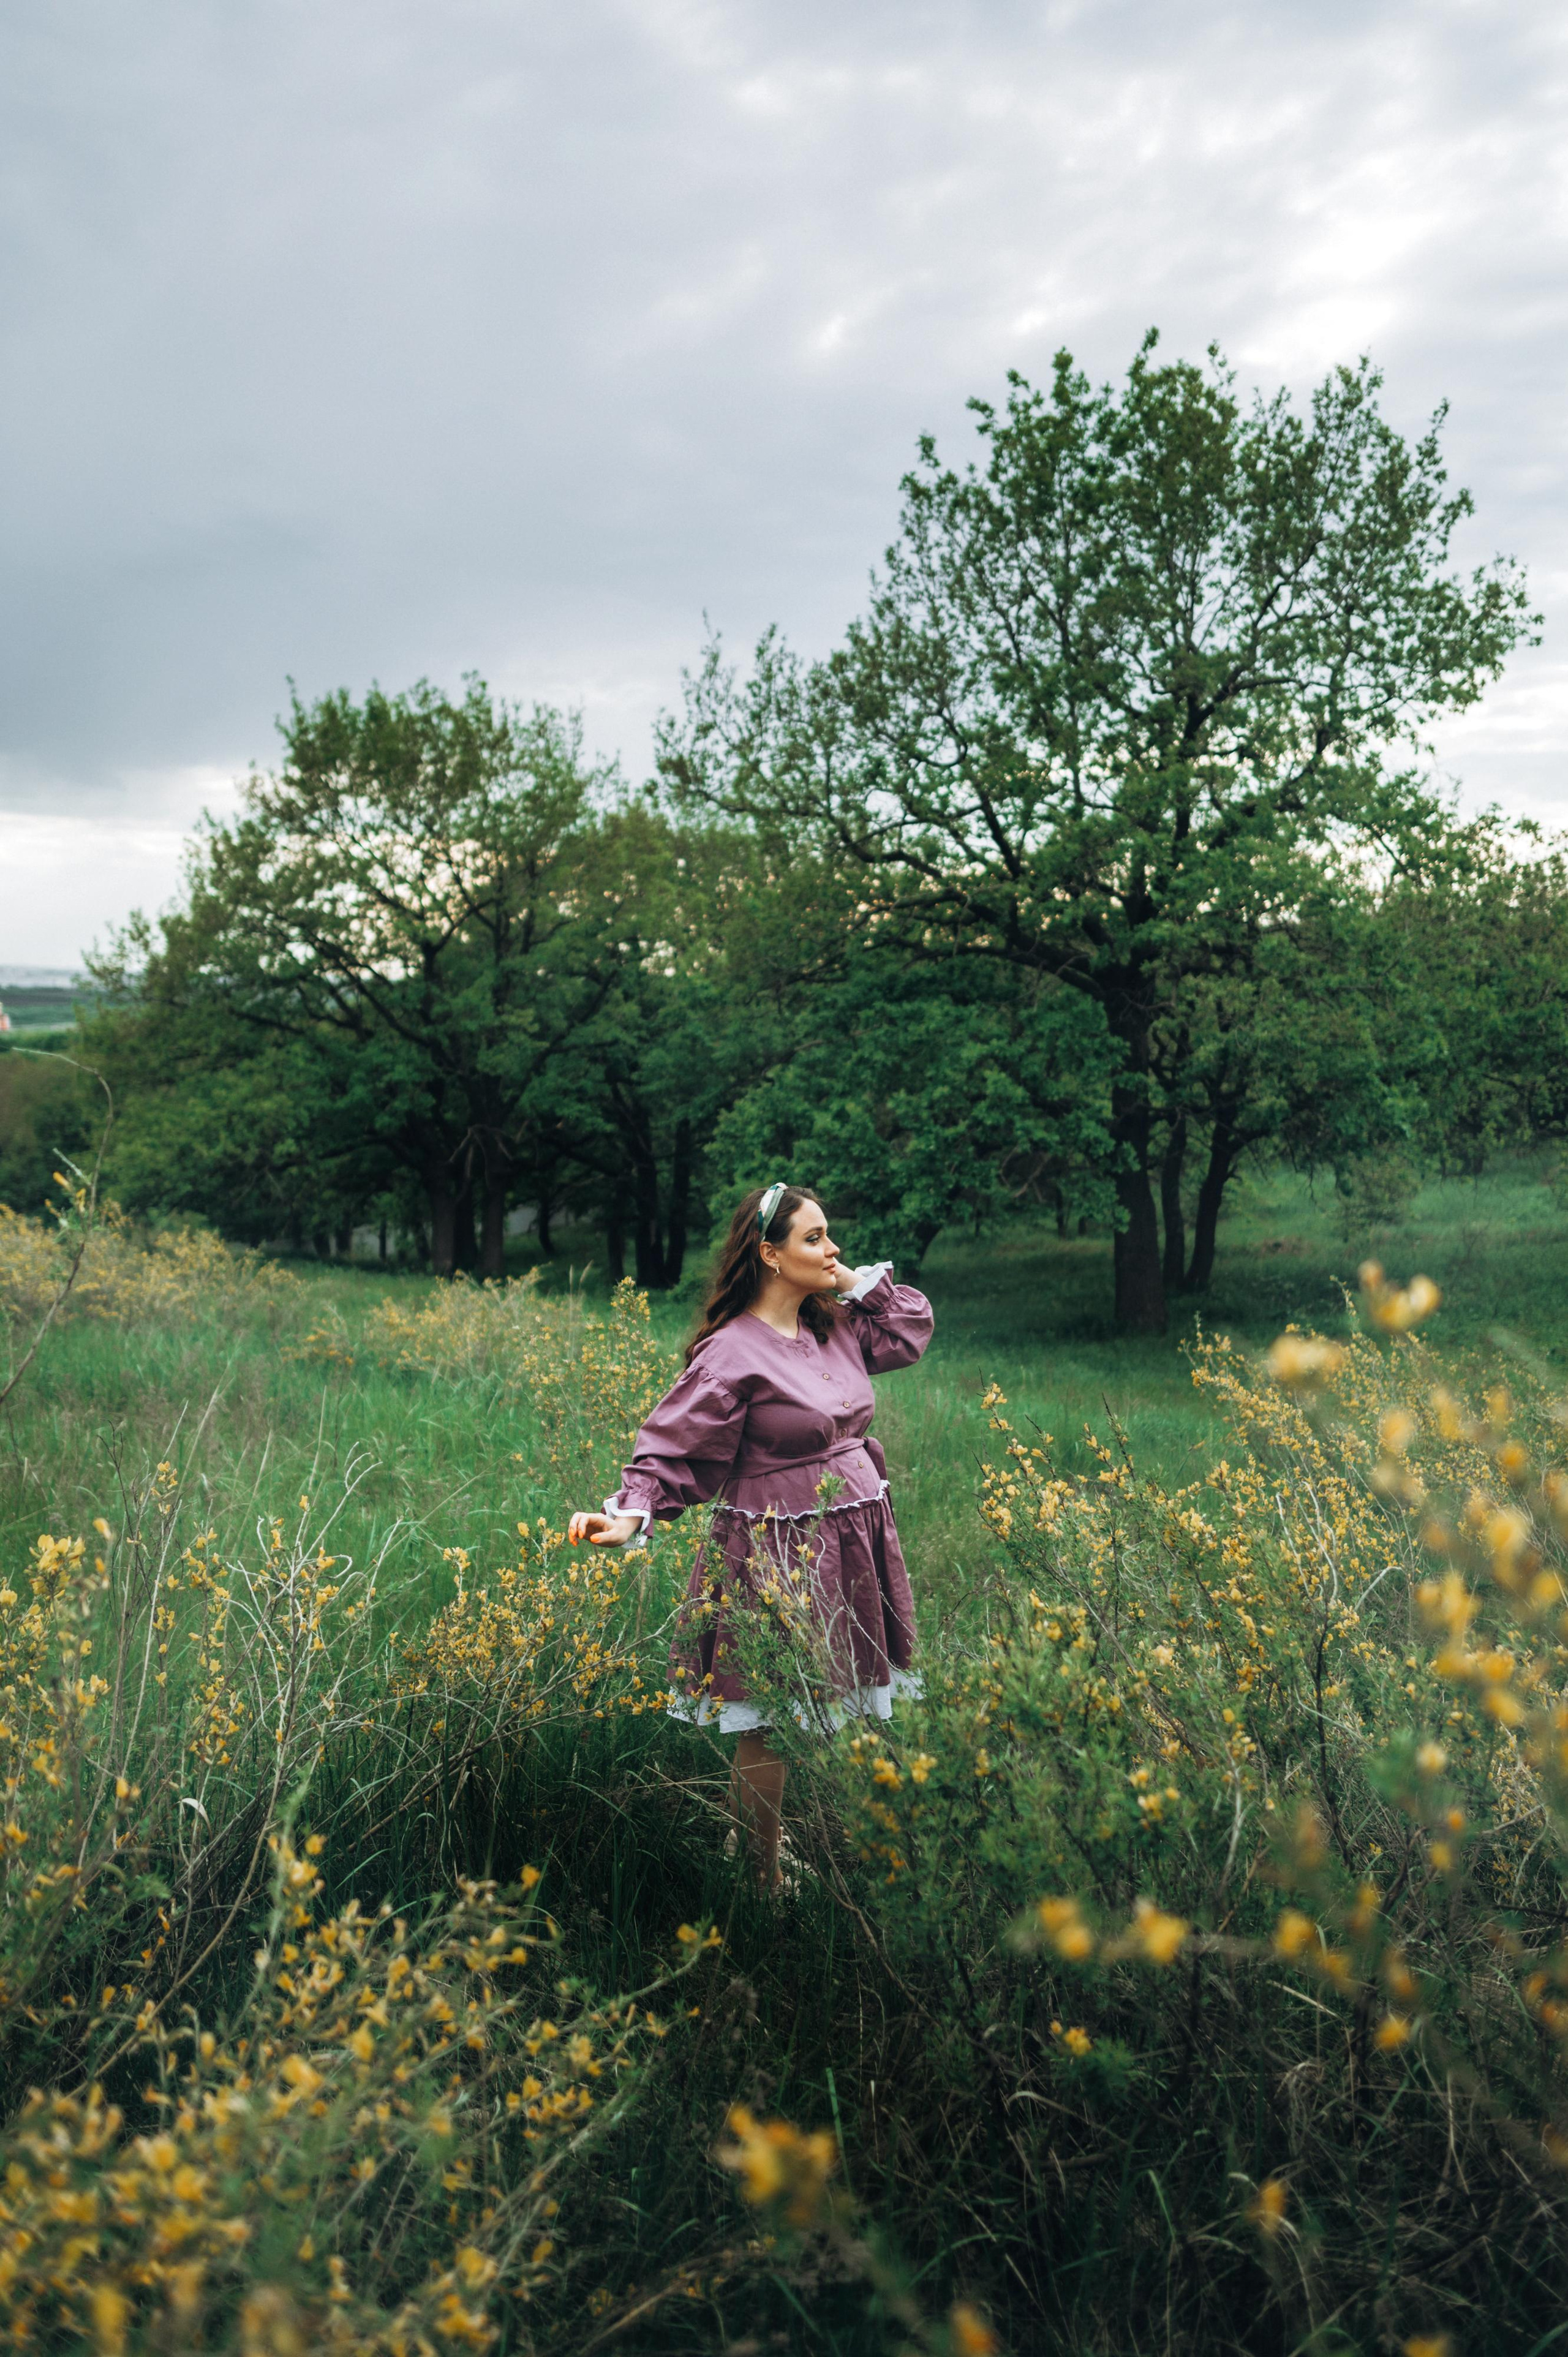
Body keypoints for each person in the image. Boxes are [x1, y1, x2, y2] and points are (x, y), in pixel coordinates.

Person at [568, 1183, 933, 1891]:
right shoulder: (731, 1351)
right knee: (770, 1718)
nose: (832, 1249)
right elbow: (672, 1449)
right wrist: (629, 1514)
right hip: (776, 1552)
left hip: (851, 1539)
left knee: (811, 1704)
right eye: (813, 1238)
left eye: (830, 1234)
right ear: (769, 1253)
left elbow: (907, 1329)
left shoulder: (835, 1326)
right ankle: (759, 1877)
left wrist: (848, 1280)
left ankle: (756, 1838)